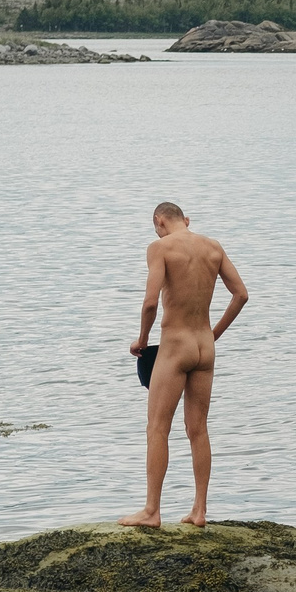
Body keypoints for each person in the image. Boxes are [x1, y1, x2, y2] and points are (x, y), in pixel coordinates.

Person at [120, 202, 249, 529]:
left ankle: (151, 511)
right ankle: (199, 511)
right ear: (186, 220)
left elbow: (150, 302)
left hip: (175, 345)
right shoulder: (213, 247)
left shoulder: (160, 247)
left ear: (158, 220)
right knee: (198, 430)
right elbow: (241, 295)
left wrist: (142, 340)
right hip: (204, 346)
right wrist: (213, 334)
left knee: (157, 427)